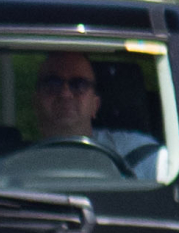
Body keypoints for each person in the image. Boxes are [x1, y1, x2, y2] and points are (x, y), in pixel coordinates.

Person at [28, 53, 158, 173]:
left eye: (78, 85)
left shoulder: (140, 153)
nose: (65, 94)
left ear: (95, 105)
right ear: (36, 102)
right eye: (53, 84)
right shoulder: (12, 165)